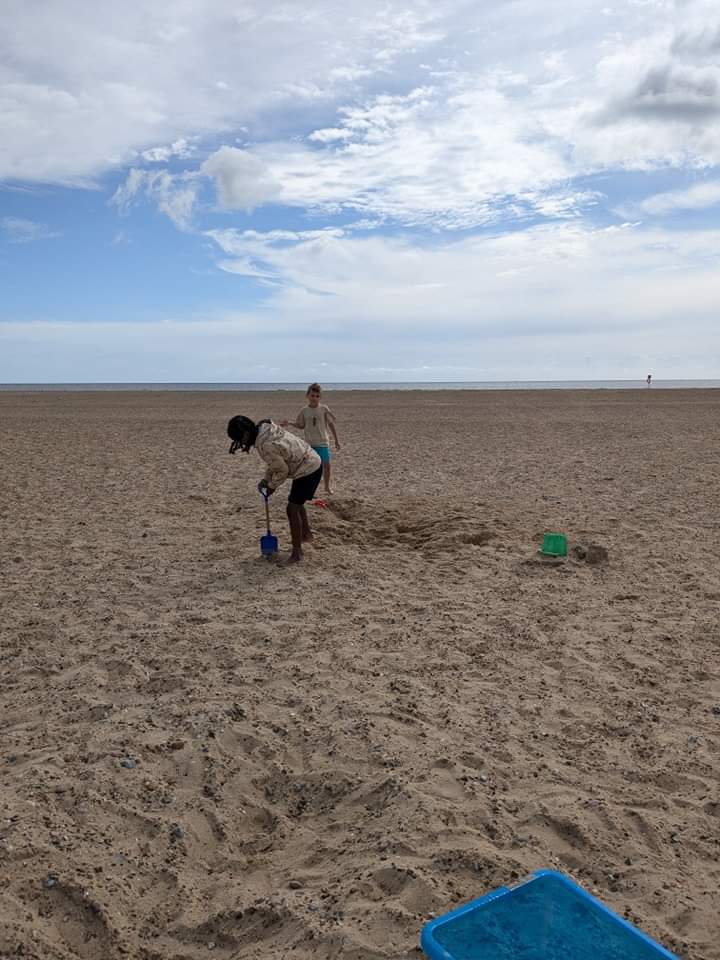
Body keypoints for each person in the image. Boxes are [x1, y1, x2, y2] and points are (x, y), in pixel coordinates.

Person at [227, 415, 322, 563]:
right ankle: (306, 534)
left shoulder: (265, 445)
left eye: (240, 440)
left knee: (292, 509)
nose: (241, 444)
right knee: (296, 502)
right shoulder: (265, 429)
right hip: (308, 461)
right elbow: (275, 462)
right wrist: (266, 479)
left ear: (246, 434)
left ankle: (297, 553)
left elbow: (282, 470)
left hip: (308, 469)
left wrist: (271, 487)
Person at [281, 383, 340, 494]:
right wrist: (289, 422)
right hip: (309, 445)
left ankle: (327, 487)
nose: (314, 398)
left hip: (322, 443)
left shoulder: (324, 408)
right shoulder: (304, 410)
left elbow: (331, 424)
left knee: (326, 466)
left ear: (320, 397)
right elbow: (301, 425)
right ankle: (310, 489)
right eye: (312, 395)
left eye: (317, 396)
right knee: (310, 469)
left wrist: (336, 440)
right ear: (307, 396)